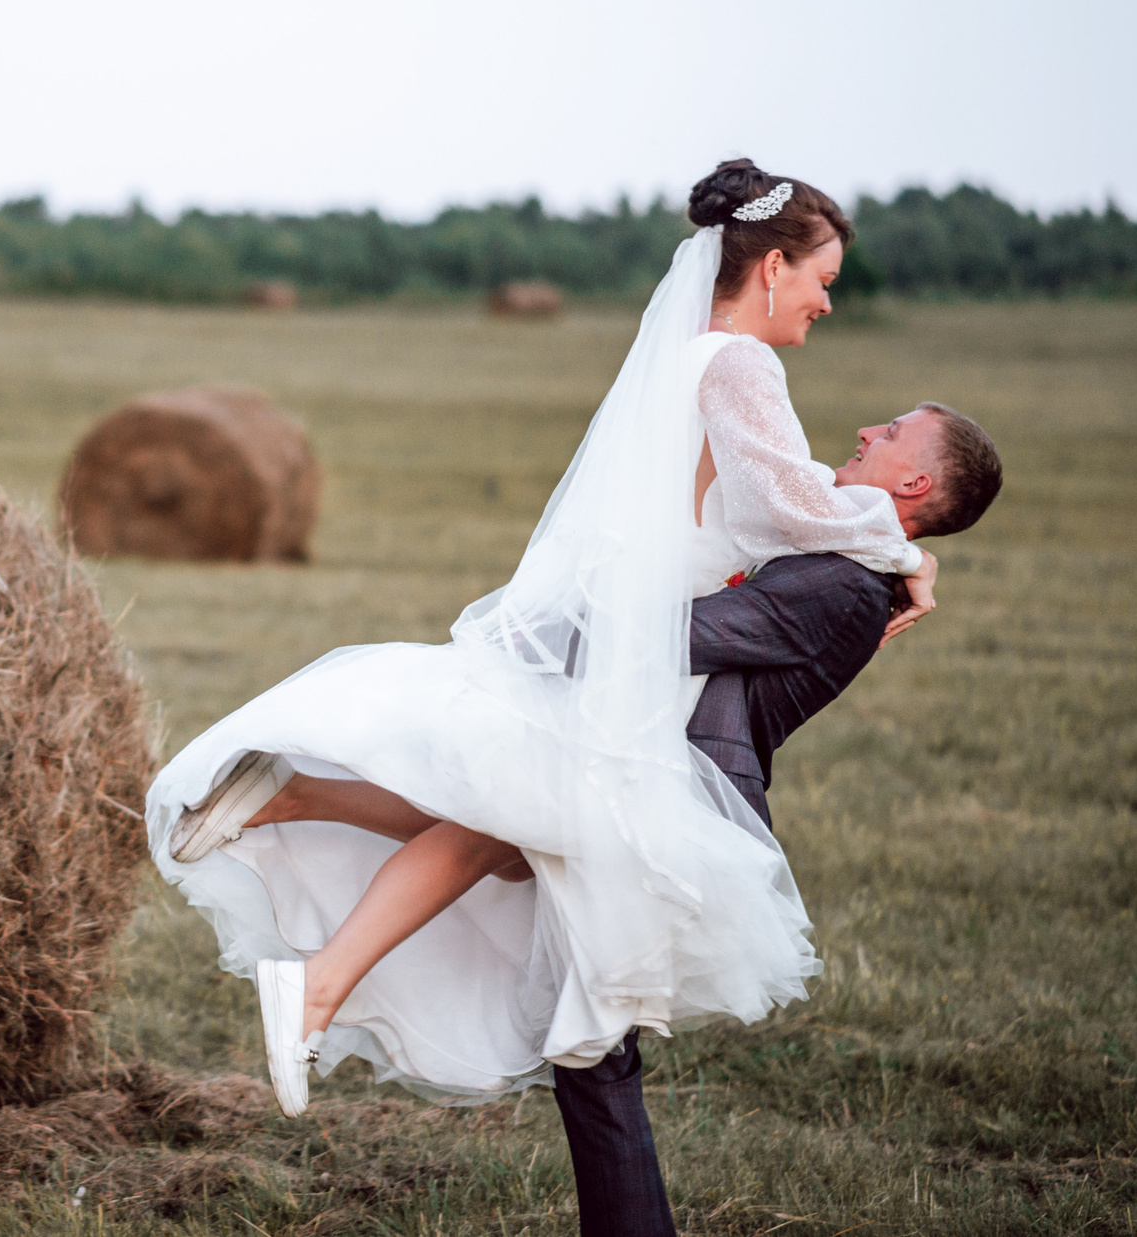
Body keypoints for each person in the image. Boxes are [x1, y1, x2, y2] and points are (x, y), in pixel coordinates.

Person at [146, 160, 941, 1128]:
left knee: (518, 835)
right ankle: (313, 981)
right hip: (630, 647)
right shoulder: (738, 360)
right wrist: (899, 545)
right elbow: (787, 503)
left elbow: (772, 500)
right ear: (771, 265)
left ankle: (297, 817)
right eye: (822, 278)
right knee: (510, 821)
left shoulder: (690, 356)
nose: (825, 301)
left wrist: (895, 550)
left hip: (612, 620)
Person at [553, 405, 1002, 1236]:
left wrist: (539, 624)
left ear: (915, 480)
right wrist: (915, 554)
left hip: (667, 812)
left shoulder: (837, 588)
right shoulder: (853, 568)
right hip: (640, 789)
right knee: (591, 1044)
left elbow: (669, 637)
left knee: (594, 1040)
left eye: (893, 430)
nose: (867, 429)